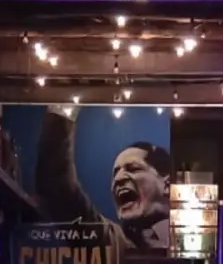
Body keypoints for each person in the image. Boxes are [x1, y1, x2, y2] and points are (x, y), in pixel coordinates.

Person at [34, 108, 172, 255]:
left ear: (167, 185)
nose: (118, 179)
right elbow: (57, 186)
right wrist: (63, 107)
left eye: (133, 168)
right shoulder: (114, 241)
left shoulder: (186, 237)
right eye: (115, 173)